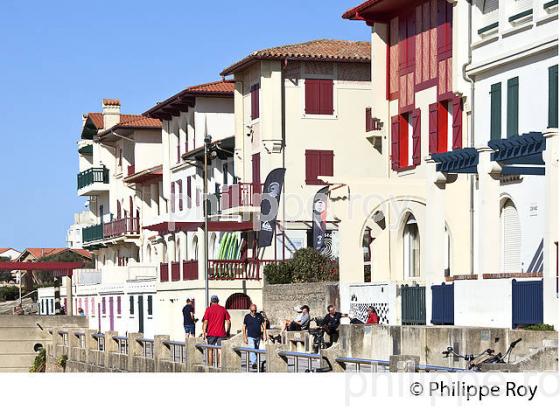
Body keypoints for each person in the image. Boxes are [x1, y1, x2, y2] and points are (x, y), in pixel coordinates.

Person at [202, 295, 231, 367]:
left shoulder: (208, 309)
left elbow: (205, 322)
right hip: (221, 333)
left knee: (210, 350)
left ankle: (210, 366)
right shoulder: (223, 309)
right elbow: (228, 322)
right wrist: (228, 332)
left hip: (211, 333)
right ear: (218, 301)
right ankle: (220, 366)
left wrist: (204, 332)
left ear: (211, 301)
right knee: (220, 350)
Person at [242, 304, 267, 369]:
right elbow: (244, 327)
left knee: (256, 349)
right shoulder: (247, 317)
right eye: (252, 310)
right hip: (250, 336)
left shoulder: (259, 315)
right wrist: (244, 337)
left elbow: (263, 324)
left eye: (255, 310)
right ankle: (254, 363)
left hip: (258, 336)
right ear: (250, 310)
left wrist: (264, 334)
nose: (254, 312)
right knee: (252, 349)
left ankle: (256, 362)